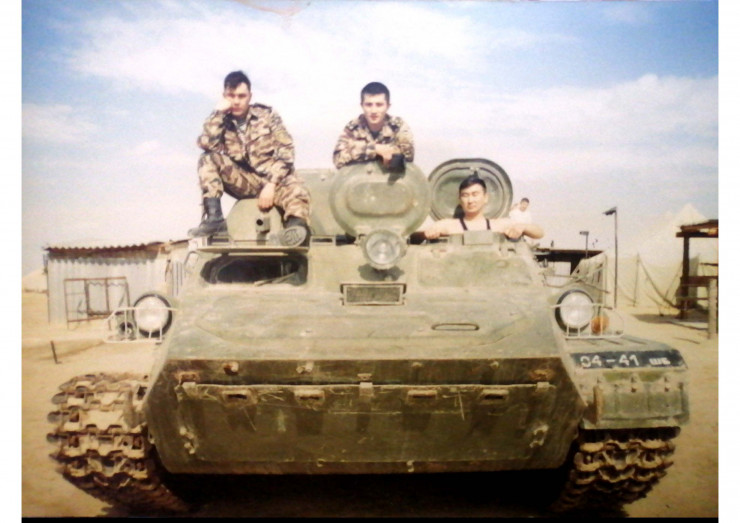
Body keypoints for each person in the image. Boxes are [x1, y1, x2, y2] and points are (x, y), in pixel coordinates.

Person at [189, 70, 311, 246]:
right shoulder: (222, 121)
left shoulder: (267, 115)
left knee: (296, 189)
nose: (236, 101)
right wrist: (217, 114)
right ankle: (214, 219)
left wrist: (271, 184)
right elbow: (207, 144)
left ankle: (296, 229)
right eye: (231, 96)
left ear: (250, 96)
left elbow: (286, 151)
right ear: (224, 96)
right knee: (207, 159)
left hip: (275, 181)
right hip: (246, 181)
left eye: (241, 96)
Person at [420, 176, 544, 241]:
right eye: (465, 195)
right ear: (460, 199)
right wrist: (431, 233)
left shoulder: (499, 225)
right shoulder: (448, 225)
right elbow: (418, 235)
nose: (470, 200)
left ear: (485, 198)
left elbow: (539, 233)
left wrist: (522, 227)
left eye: (475, 194)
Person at [333, 82, 414, 170]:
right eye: (368, 105)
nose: (373, 111)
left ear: (387, 106)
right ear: (362, 106)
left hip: (389, 176)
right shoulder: (353, 128)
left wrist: (358, 150)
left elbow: (408, 155)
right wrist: (374, 149)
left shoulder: (397, 126)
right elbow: (338, 159)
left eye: (379, 105)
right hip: (360, 176)